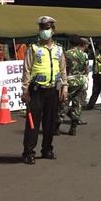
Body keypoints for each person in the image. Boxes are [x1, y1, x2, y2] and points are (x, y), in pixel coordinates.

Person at [21, 16, 68, 164]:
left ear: (53, 30)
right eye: (42, 28)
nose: (44, 31)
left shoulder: (59, 50)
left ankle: (47, 149)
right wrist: (25, 90)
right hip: (36, 90)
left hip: (53, 90)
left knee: (50, 123)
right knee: (32, 124)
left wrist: (64, 87)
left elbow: (63, 69)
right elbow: (27, 70)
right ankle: (28, 152)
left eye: (47, 28)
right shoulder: (33, 48)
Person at [58, 37, 89, 136]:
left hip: (69, 81)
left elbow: (62, 69)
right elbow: (86, 70)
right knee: (77, 105)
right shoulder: (84, 55)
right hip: (80, 81)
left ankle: (56, 127)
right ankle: (73, 128)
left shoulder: (66, 54)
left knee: (63, 103)